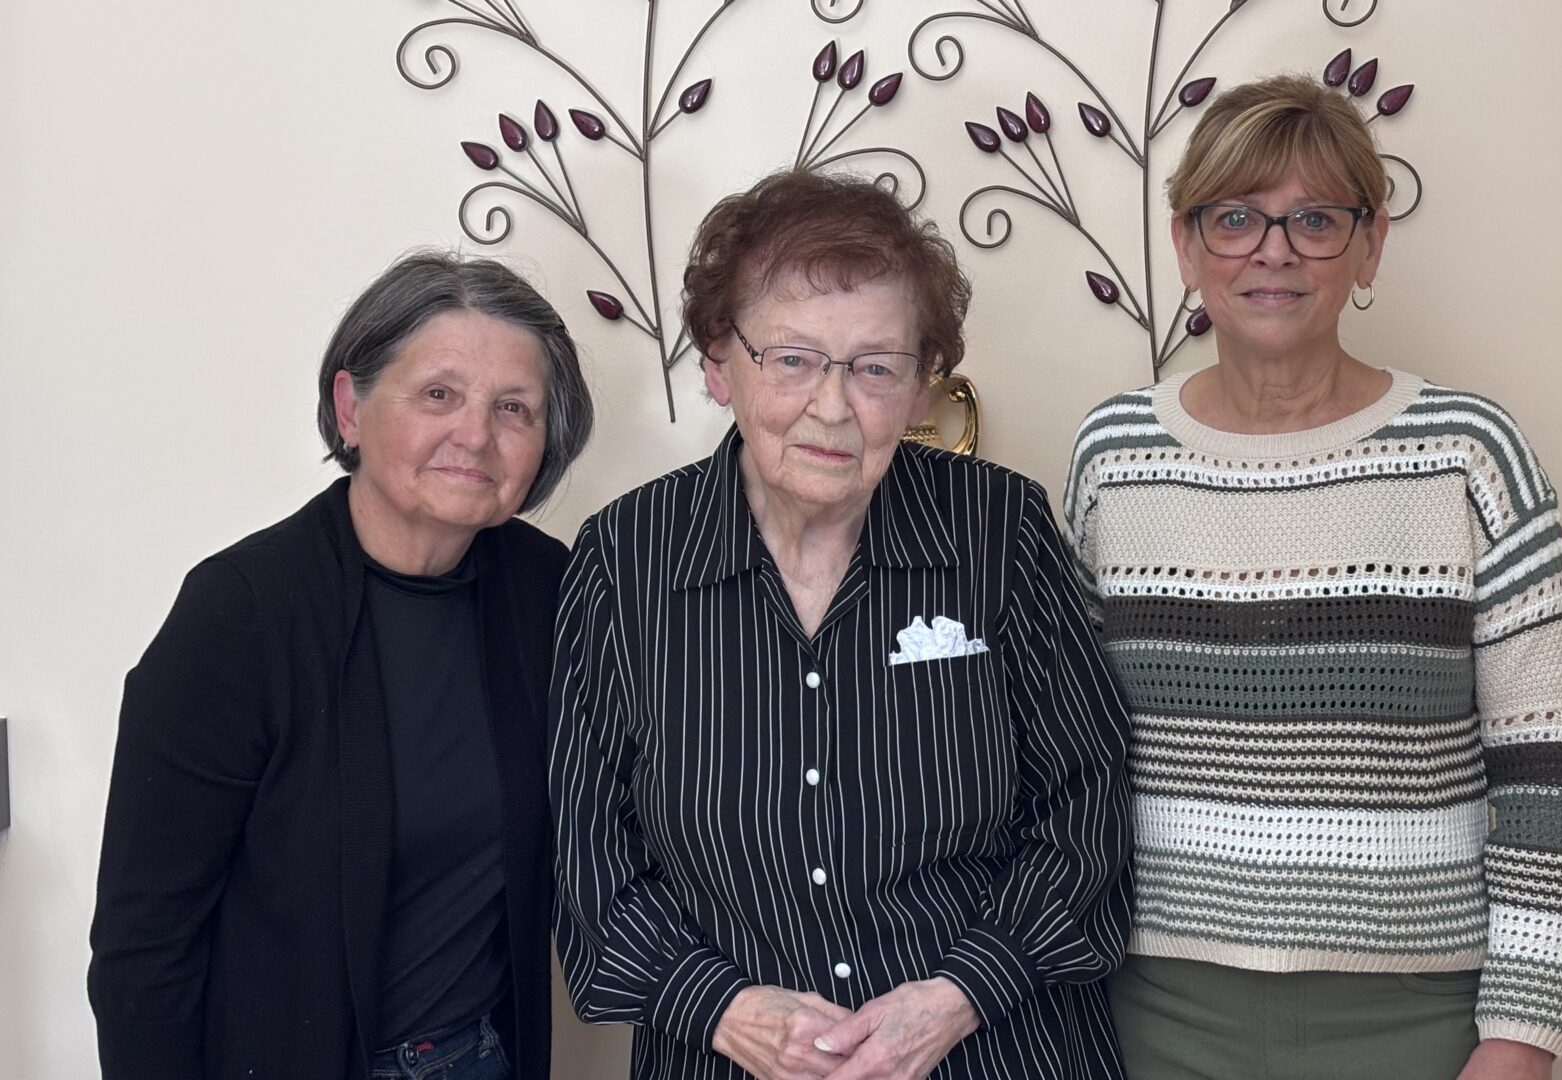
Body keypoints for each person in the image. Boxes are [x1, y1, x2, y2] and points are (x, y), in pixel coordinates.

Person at [1065, 74, 1562, 1080]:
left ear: (1369, 244)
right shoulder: (1113, 454)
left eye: (1314, 218)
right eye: (1235, 218)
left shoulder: (1470, 454)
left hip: (1414, 1020)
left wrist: (1523, 1036)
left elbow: (1547, 777)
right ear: (1185, 246)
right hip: (1154, 1012)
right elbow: (1071, 750)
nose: (1274, 250)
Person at [549, 169, 1133, 1080]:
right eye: (790, 359)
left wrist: (956, 994)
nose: (832, 406)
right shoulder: (625, 558)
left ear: (922, 384)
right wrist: (722, 1008)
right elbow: (591, 851)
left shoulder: (1000, 531)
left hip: (996, 1051)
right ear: (717, 361)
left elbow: (1086, 804)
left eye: (874, 368)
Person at [89, 252, 595, 1080]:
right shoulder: (240, 613)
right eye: (439, 395)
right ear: (350, 406)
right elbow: (144, 944)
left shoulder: (553, 592)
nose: (475, 434)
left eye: (514, 408)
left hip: (480, 1059)